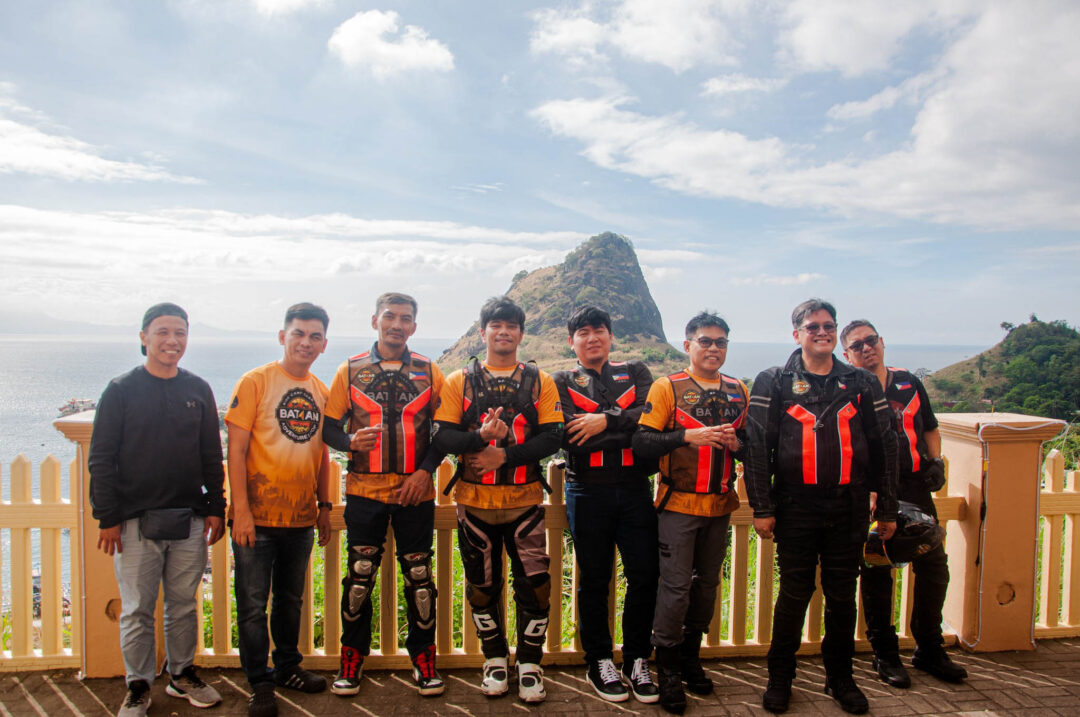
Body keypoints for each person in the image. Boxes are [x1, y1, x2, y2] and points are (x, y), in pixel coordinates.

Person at [745, 298, 898, 715]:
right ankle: (780, 678)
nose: (822, 332)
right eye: (812, 327)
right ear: (797, 334)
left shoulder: (861, 382)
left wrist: (887, 508)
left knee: (843, 595)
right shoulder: (774, 381)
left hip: (849, 506)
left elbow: (885, 446)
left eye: (829, 326)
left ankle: (840, 678)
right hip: (795, 504)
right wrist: (762, 507)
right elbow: (756, 448)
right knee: (794, 594)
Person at [89, 303, 225, 717]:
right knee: (137, 610)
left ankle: (182, 674)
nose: (172, 340)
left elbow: (210, 454)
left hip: (189, 519)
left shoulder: (198, 389)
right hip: (133, 522)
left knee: (183, 605)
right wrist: (107, 518)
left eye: (180, 332)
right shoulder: (121, 390)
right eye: (163, 332)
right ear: (144, 337)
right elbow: (102, 458)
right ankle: (138, 685)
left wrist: (216, 507)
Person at [432, 296, 564, 704]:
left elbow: (554, 437)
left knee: (535, 585)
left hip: (525, 501)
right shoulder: (459, 381)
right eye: (496, 325)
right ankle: (494, 658)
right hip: (474, 504)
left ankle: (530, 663)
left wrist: (504, 454)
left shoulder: (540, 381)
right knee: (481, 586)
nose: (503, 332)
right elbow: (442, 436)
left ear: (521, 334)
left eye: (511, 326)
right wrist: (481, 438)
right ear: (483, 331)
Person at [321, 292, 447, 697]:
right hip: (365, 491)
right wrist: (348, 443)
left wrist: (425, 472)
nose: (397, 324)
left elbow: (447, 429)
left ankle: (424, 659)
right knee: (359, 578)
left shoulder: (429, 370)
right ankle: (351, 659)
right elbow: (328, 427)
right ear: (375, 320)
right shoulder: (350, 370)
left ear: (414, 326)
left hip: (415, 492)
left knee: (420, 578)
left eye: (405, 318)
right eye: (389, 316)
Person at [841, 320, 967, 687]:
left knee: (934, 566)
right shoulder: (848, 390)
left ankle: (929, 647)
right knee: (878, 571)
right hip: (872, 492)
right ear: (847, 355)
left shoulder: (909, 382)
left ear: (881, 342)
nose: (867, 348)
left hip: (914, 487)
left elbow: (929, 427)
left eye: (871, 341)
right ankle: (885, 653)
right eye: (857, 345)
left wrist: (935, 460)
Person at [633, 311, 747, 714]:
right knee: (676, 587)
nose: (713, 348)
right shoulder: (669, 387)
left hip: (720, 505)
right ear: (688, 346)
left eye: (721, 342)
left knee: (708, 585)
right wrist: (686, 436)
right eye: (705, 341)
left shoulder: (738, 390)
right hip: (678, 503)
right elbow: (642, 442)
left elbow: (751, 446)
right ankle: (667, 667)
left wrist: (737, 446)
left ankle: (689, 657)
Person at [225, 303, 332, 717]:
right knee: (253, 605)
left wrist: (324, 506)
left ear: (324, 345)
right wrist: (241, 511)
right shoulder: (256, 382)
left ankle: (288, 667)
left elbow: (322, 455)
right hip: (257, 519)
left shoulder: (321, 392)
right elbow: (235, 450)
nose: (306, 342)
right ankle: (260, 682)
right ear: (283, 336)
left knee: (290, 600)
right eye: (298, 333)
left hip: (301, 519)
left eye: (315, 336)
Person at [551, 306, 659, 704]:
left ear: (611, 337)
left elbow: (650, 420)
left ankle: (636, 659)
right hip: (586, 490)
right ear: (572, 341)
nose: (592, 337)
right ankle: (598, 660)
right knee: (595, 579)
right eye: (583, 332)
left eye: (599, 330)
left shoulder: (636, 372)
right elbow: (570, 437)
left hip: (635, 489)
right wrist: (626, 426)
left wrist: (604, 421)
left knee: (645, 575)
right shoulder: (561, 381)